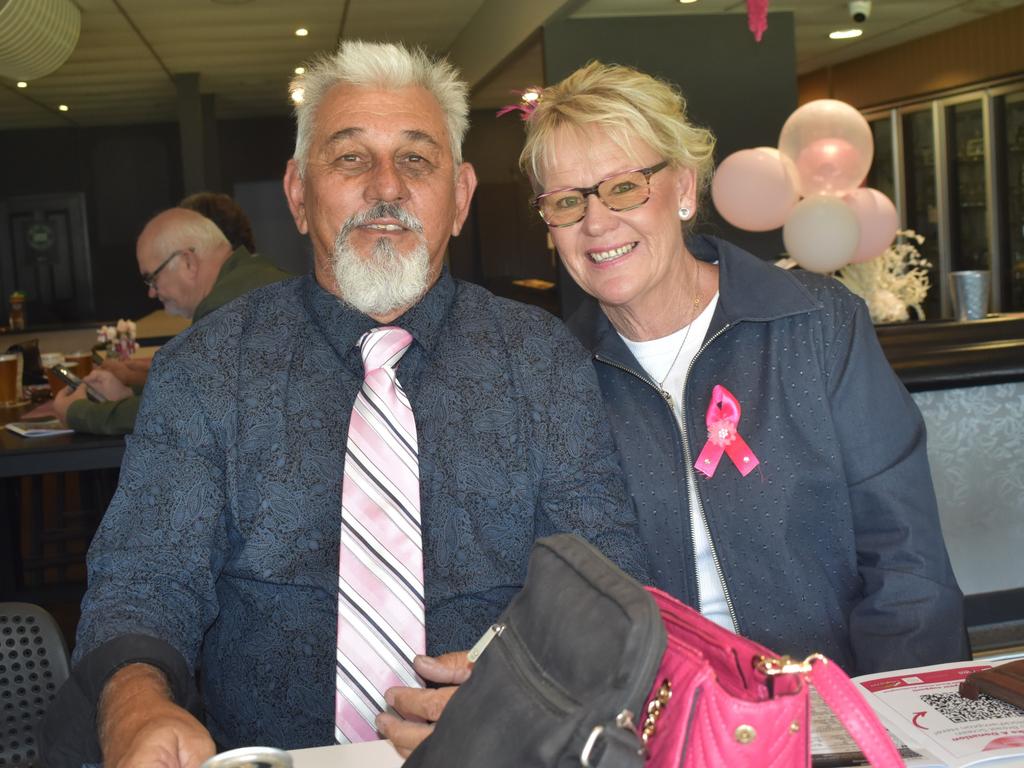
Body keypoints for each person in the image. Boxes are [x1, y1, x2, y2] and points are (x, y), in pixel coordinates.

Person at [42, 41, 647, 764]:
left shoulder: (545, 364)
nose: (385, 186)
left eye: (417, 160)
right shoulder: (204, 371)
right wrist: (136, 704)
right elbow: (144, 577)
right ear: (299, 195)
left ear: (459, 198)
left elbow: (604, 578)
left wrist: (520, 698)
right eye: (351, 158)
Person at [514, 61, 968, 675]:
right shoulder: (554, 381)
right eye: (567, 201)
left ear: (682, 189)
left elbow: (905, 563)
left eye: (624, 187)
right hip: (660, 731)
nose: (596, 223)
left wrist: (882, 723)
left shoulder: (815, 325)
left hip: (835, 714)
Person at [52, 204, 289, 434]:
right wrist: (129, 396)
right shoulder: (258, 281)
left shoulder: (225, 311)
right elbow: (196, 395)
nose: (152, 293)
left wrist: (79, 413)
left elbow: (181, 413)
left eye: (152, 278)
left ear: (188, 263)